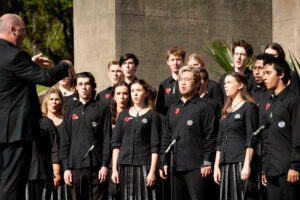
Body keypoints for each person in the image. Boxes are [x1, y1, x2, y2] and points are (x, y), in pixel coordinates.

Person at [0, 13, 71, 200]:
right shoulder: (16, 56)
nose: (25, 35)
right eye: (24, 31)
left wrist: (29, 66)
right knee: (12, 184)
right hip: (15, 133)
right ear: (12, 30)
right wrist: (64, 64)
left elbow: (8, 81)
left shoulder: (10, 58)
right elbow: (46, 79)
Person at [160, 66, 219, 200]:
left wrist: (207, 161)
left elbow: (211, 136)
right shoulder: (173, 109)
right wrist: (163, 161)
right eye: (180, 79)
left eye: (187, 79)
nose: (183, 82)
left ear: (197, 83)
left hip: (197, 167)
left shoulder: (206, 107)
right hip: (175, 166)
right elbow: (166, 137)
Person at [60, 72, 111, 200]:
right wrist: (66, 168)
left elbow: (106, 138)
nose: (84, 87)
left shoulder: (102, 107)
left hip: (96, 167)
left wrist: (104, 165)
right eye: (80, 84)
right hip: (75, 167)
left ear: (92, 86)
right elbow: (65, 141)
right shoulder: (69, 109)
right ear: (75, 87)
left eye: (87, 84)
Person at [111, 79, 161, 200]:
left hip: (144, 165)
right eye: (132, 91)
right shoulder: (123, 115)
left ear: (146, 93)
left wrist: (152, 171)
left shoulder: (152, 115)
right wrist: (114, 169)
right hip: (124, 165)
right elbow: (116, 144)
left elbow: (155, 145)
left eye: (138, 90)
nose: (135, 94)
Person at [213, 72, 259, 200]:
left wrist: (246, 165)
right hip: (225, 162)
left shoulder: (249, 107)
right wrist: (216, 165)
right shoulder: (226, 111)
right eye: (224, 83)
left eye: (229, 82)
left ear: (240, 85)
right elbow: (219, 140)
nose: (225, 86)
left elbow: (252, 137)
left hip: (240, 162)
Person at [259, 57, 300, 200]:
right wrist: (265, 168)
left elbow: (297, 134)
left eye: (268, 73)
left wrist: (295, 166)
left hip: (288, 171)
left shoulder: (293, 100)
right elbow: (265, 137)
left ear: (281, 74)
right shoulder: (268, 102)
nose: (264, 77)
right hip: (271, 170)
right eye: (263, 73)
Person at [26, 89, 63, 200]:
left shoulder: (46, 122)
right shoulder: (17, 122)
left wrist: (56, 172)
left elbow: (55, 148)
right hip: (22, 174)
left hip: (42, 173)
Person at [42, 88, 71, 200]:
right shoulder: (41, 121)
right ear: (46, 102)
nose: (54, 102)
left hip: (65, 167)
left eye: (57, 99)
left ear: (61, 102)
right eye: (51, 99)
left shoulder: (66, 121)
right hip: (45, 167)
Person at [107, 82, 131, 200]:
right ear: (114, 96)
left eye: (125, 93)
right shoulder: (107, 115)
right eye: (119, 93)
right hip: (109, 164)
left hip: (127, 161)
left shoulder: (134, 114)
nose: (122, 97)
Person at [156, 46, 185, 115]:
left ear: (183, 61)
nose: (175, 63)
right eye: (172, 60)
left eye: (178, 59)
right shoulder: (163, 84)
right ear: (168, 62)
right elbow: (159, 108)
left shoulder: (188, 82)